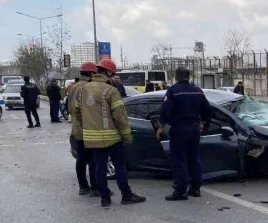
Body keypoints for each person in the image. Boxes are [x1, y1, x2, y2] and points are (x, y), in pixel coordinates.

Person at [72, 58, 145, 207]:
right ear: (109, 72)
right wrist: (127, 135)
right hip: (112, 137)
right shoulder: (111, 90)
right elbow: (120, 116)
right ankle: (126, 195)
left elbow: (76, 111)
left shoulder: (83, 89)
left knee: (100, 167)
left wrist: (86, 125)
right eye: (113, 74)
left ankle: (104, 198)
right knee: (119, 167)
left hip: (92, 138)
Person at [157, 66, 211, 201]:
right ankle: (195, 188)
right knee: (194, 158)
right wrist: (203, 122)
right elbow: (207, 109)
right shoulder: (198, 91)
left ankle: (180, 190)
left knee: (179, 159)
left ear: (176, 77)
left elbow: (165, 110)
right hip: (194, 129)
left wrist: (161, 126)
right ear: (189, 76)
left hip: (179, 129)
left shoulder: (173, 91)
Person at [68, 62, 100, 196]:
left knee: (81, 159)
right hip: (87, 127)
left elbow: (70, 108)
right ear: (91, 73)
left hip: (76, 128)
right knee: (93, 159)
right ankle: (94, 188)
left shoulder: (73, 87)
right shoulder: (88, 87)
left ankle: (83, 187)